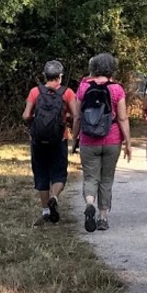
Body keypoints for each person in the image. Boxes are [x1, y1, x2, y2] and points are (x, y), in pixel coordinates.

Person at [72, 52, 132, 232]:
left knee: (90, 177)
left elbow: (77, 116)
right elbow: (122, 118)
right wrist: (128, 142)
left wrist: (74, 138)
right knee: (106, 179)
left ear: (93, 67)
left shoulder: (83, 87)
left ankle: (90, 203)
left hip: (88, 139)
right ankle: (103, 217)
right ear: (112, 68)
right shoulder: (117, 89)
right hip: (112, 139)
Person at [22, 60, 77, 226]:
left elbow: (26, 115)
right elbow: (76, 116)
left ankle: (45, 211)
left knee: (41, 173)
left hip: (38, 140)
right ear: (60, 76)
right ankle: (54, 197)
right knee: (59, 173)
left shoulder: (35, 92)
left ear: (45, 75)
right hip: (59, 139)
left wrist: (34, 122)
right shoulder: (67, 93)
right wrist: (69, 123)